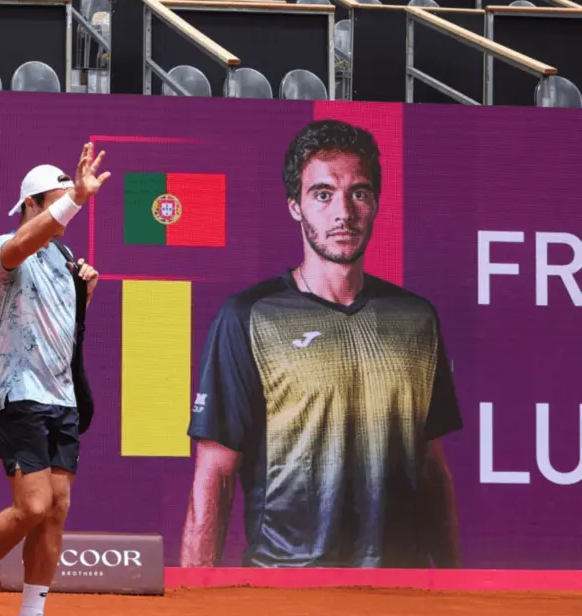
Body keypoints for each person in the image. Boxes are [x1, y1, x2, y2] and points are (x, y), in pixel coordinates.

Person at [182, 119, 463, 570]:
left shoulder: (417, 318)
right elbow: (214, 475)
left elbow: (432, 469)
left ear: (375, 204)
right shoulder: (248, 315)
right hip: (284, 586)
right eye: (323, 194)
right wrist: (193, 596)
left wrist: (456, 582)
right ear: (295, 206)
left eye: (359, 193)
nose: (343, 213)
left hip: (400, 588)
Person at [0, 144, 107, 616]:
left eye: (71, 203)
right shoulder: (1, 251)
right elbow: (25, 244)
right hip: (17, 394)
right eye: (60, 203)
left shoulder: (67, 263)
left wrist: (86, 293)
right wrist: (77, 198)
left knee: (56, 509)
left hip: (61, 398)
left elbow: (59, 327)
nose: (68, 215)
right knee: (32, 505)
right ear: (33, 205)